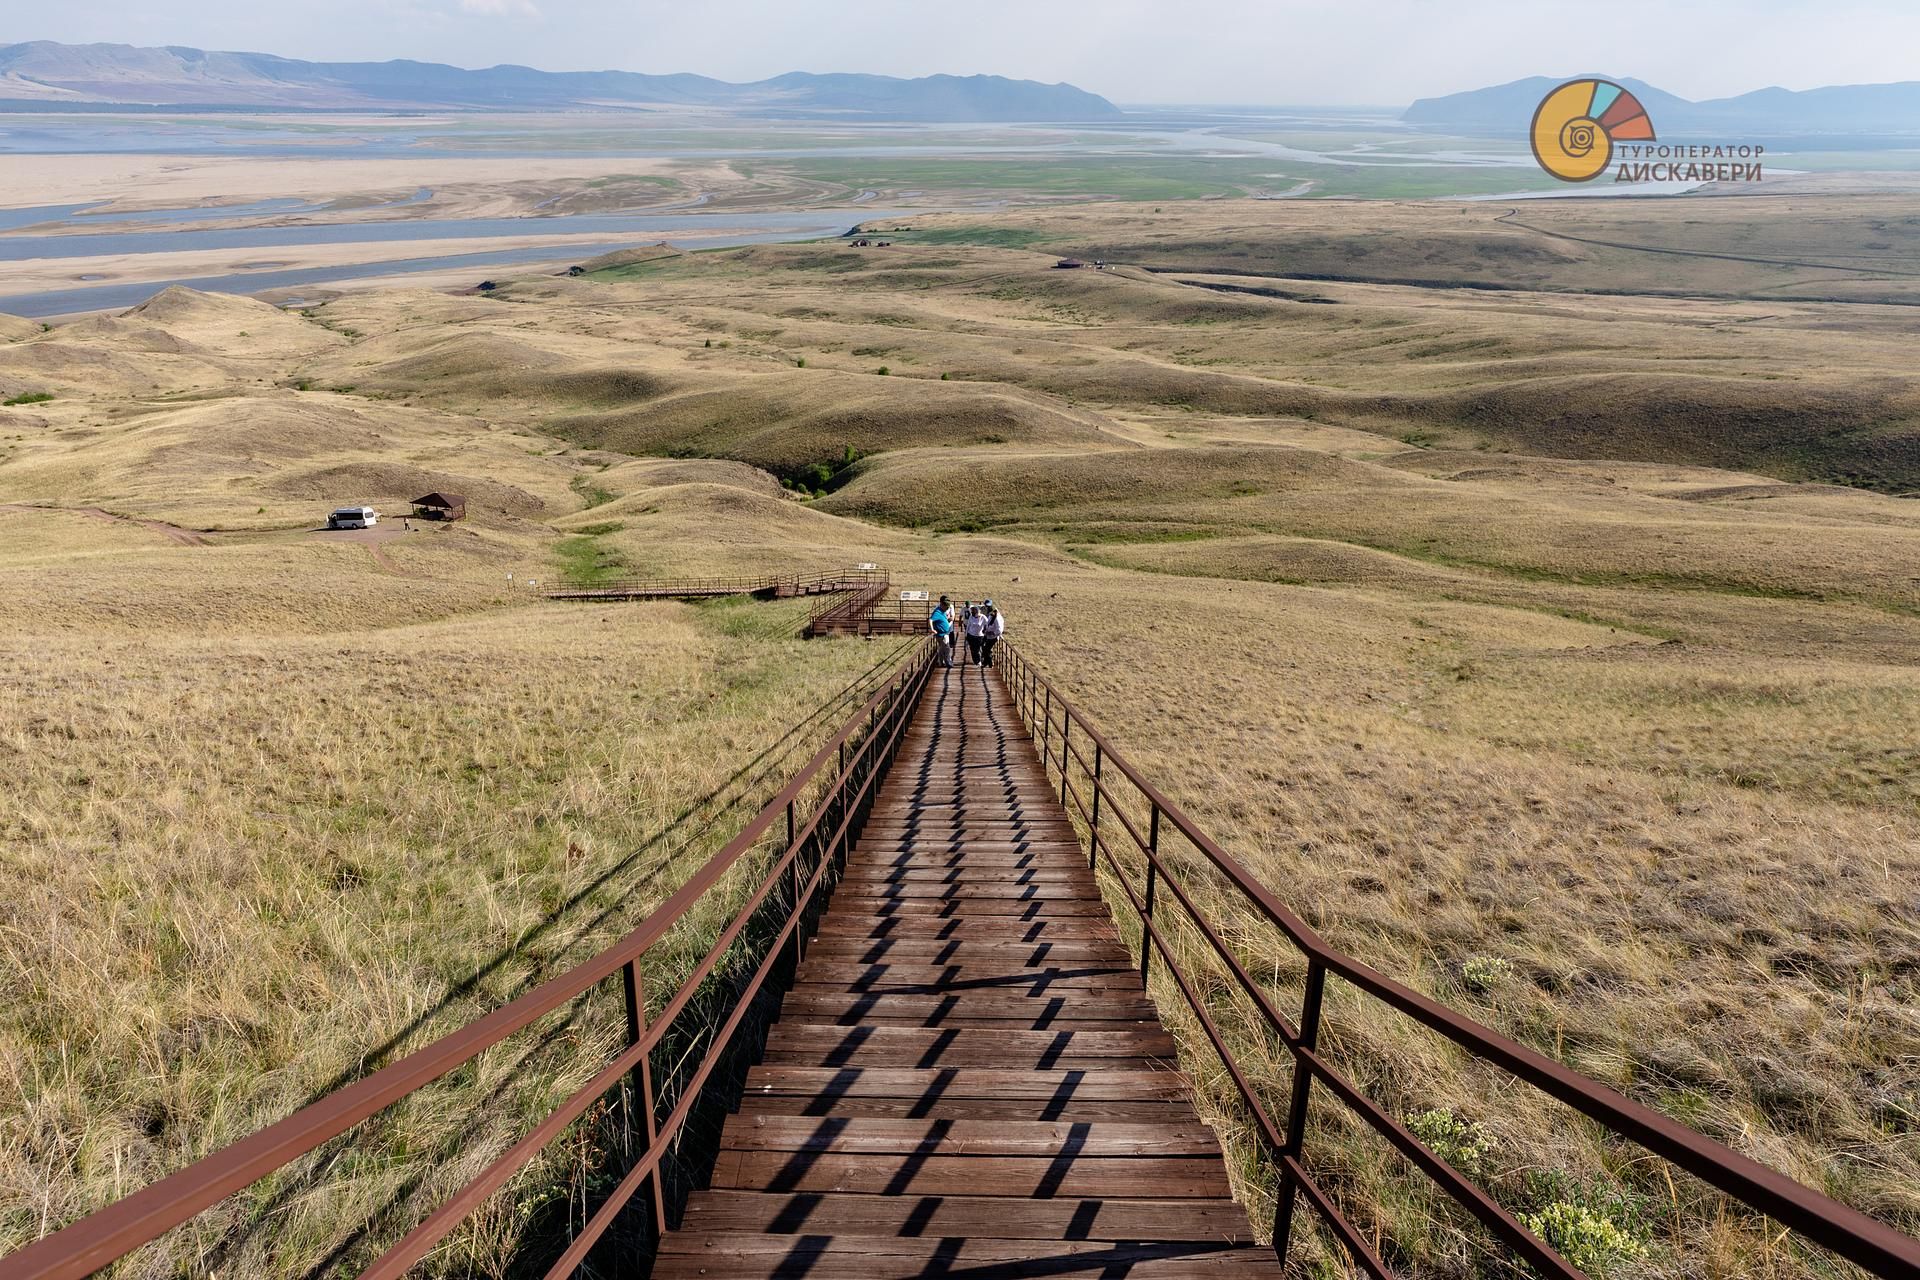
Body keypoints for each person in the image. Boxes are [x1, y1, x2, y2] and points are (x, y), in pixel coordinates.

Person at [929, 595, 954, 667]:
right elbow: (930, 619)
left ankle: (940, 662)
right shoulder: (937, 612)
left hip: (944, 633)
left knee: (941, 649)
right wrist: (932, 629)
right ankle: (948, 663)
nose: (947, 608)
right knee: (946, 649)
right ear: (942, 605)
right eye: (946, 606)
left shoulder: (942, 611)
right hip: (942, 634)